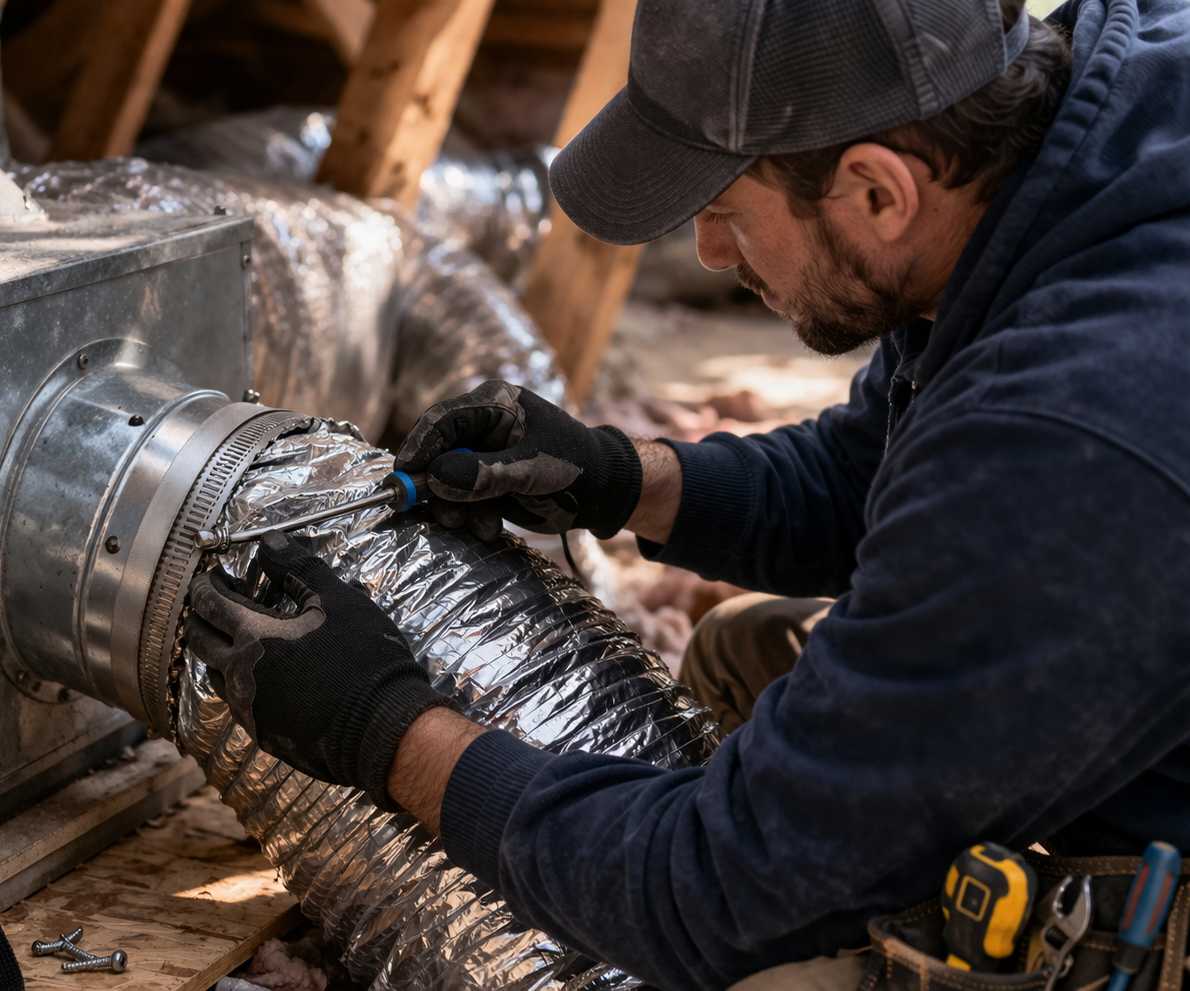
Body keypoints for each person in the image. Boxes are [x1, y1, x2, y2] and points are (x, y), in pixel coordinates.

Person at [182, 0, 1190, 984]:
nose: (708, 254)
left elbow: (716, 887)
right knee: (740, 650)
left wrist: (382, 726)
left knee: (776, 965)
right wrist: (623, 477)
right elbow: (876, 469)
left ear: (878, 192)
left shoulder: (1071, 425)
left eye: (722, 211)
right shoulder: (1076, 130)